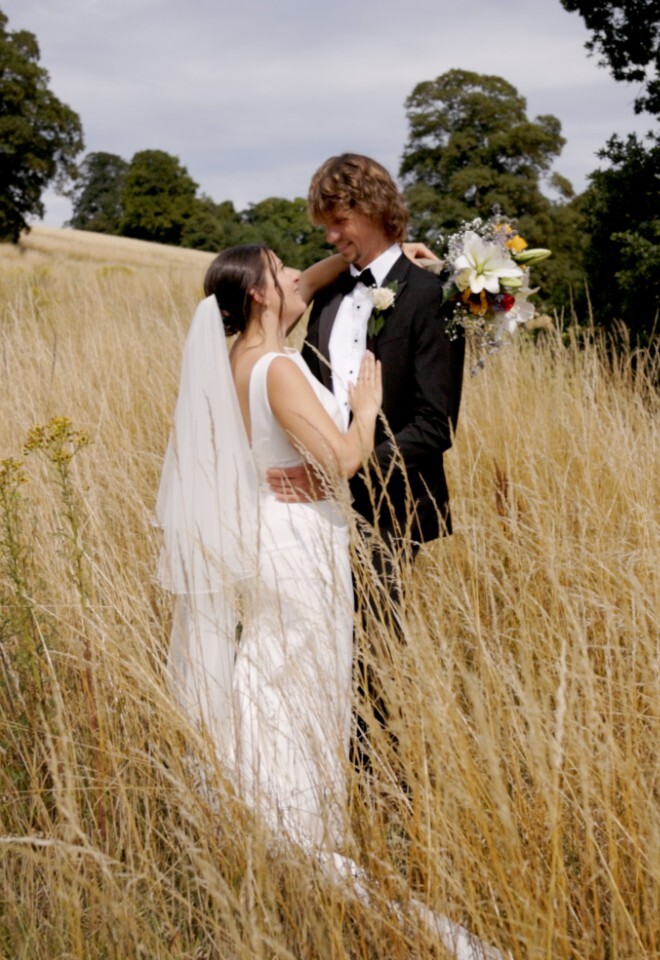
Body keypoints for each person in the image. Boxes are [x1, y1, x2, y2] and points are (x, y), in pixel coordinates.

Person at [268, 154, 465, 769]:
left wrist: (350, 467)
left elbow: (435, 426)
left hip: (389, 508)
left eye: (339, 220)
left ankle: (377, 784)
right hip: (312, 506)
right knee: (316, 645)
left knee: (369, 653)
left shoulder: (432, 296)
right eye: (325, 223)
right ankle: (314, 770)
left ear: (376, 209)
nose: (330, 235)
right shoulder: (329, 296)